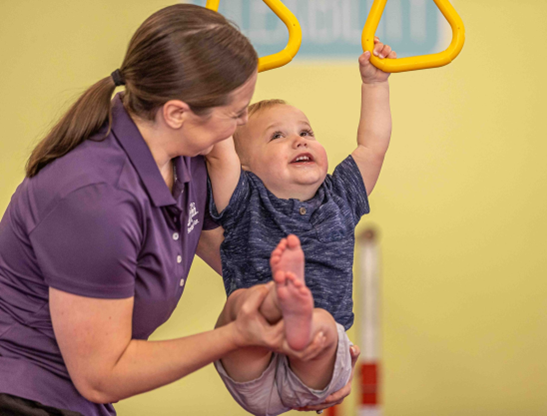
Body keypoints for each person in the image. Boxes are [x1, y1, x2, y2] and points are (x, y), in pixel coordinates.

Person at [0, 5, 356, 416]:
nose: (243, 122)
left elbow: (239, 256)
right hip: (24, 394)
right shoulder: (95, 199)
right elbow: (100, 376)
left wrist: (320, 343)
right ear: (176, 113)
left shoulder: (188, 159)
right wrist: (236, 336)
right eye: (235, 112)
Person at [204, 38, 395, 415]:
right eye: (277, 136)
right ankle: (281, 302)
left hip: (314, 368)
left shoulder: (340, 195)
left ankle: (296, 311)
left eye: (305, 133)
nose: (298, 140)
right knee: (243, 306)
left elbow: (372, 145)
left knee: (323, 326)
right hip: (253, 361)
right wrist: (222, 88)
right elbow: (220, 146)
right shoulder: (242, 196)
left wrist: (375, 85)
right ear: (243, 163)